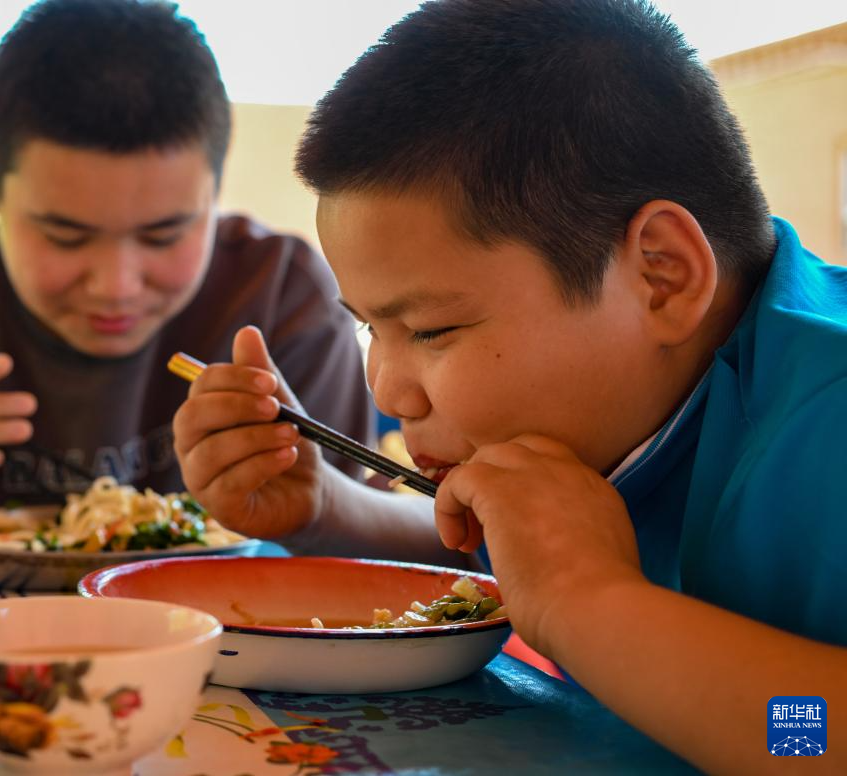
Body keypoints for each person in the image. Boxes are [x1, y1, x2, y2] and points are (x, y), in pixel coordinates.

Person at [172, 0, 846, 771]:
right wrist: (327, 509)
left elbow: (816, 739)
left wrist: (590, 604)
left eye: (431, 330)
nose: (388, 392)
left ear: (662, 275)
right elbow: (526, 549)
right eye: (369, 329)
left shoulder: (827, 425)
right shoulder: (637, 401)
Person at [0, 0, 373, 553]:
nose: (116, 286)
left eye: (163, 236)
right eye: (65, 236)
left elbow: (356, 554)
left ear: (217, 175)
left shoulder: (282, 302)